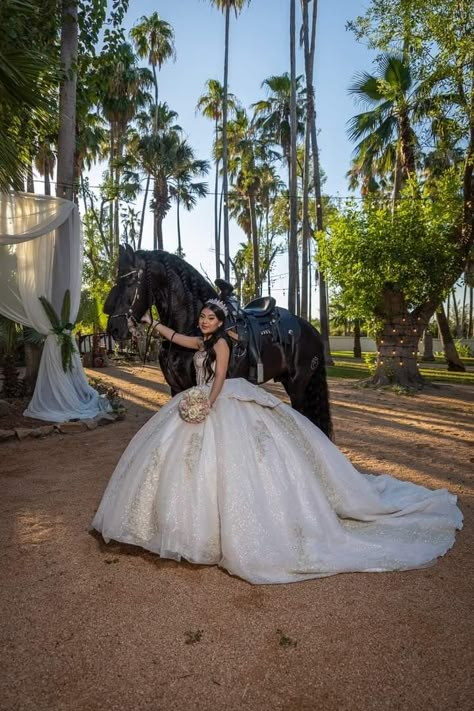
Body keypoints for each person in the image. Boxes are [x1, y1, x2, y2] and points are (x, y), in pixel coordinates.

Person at [92, 299, 462, 585]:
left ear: (220, 322)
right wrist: (151, 322)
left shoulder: (220, 346)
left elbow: (220, 377)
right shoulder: (202, 340)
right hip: (200, 399)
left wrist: (207, 402)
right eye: (202, 317)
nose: (204, 321)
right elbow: (177, 338)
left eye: (209, 318)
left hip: (218, 399)